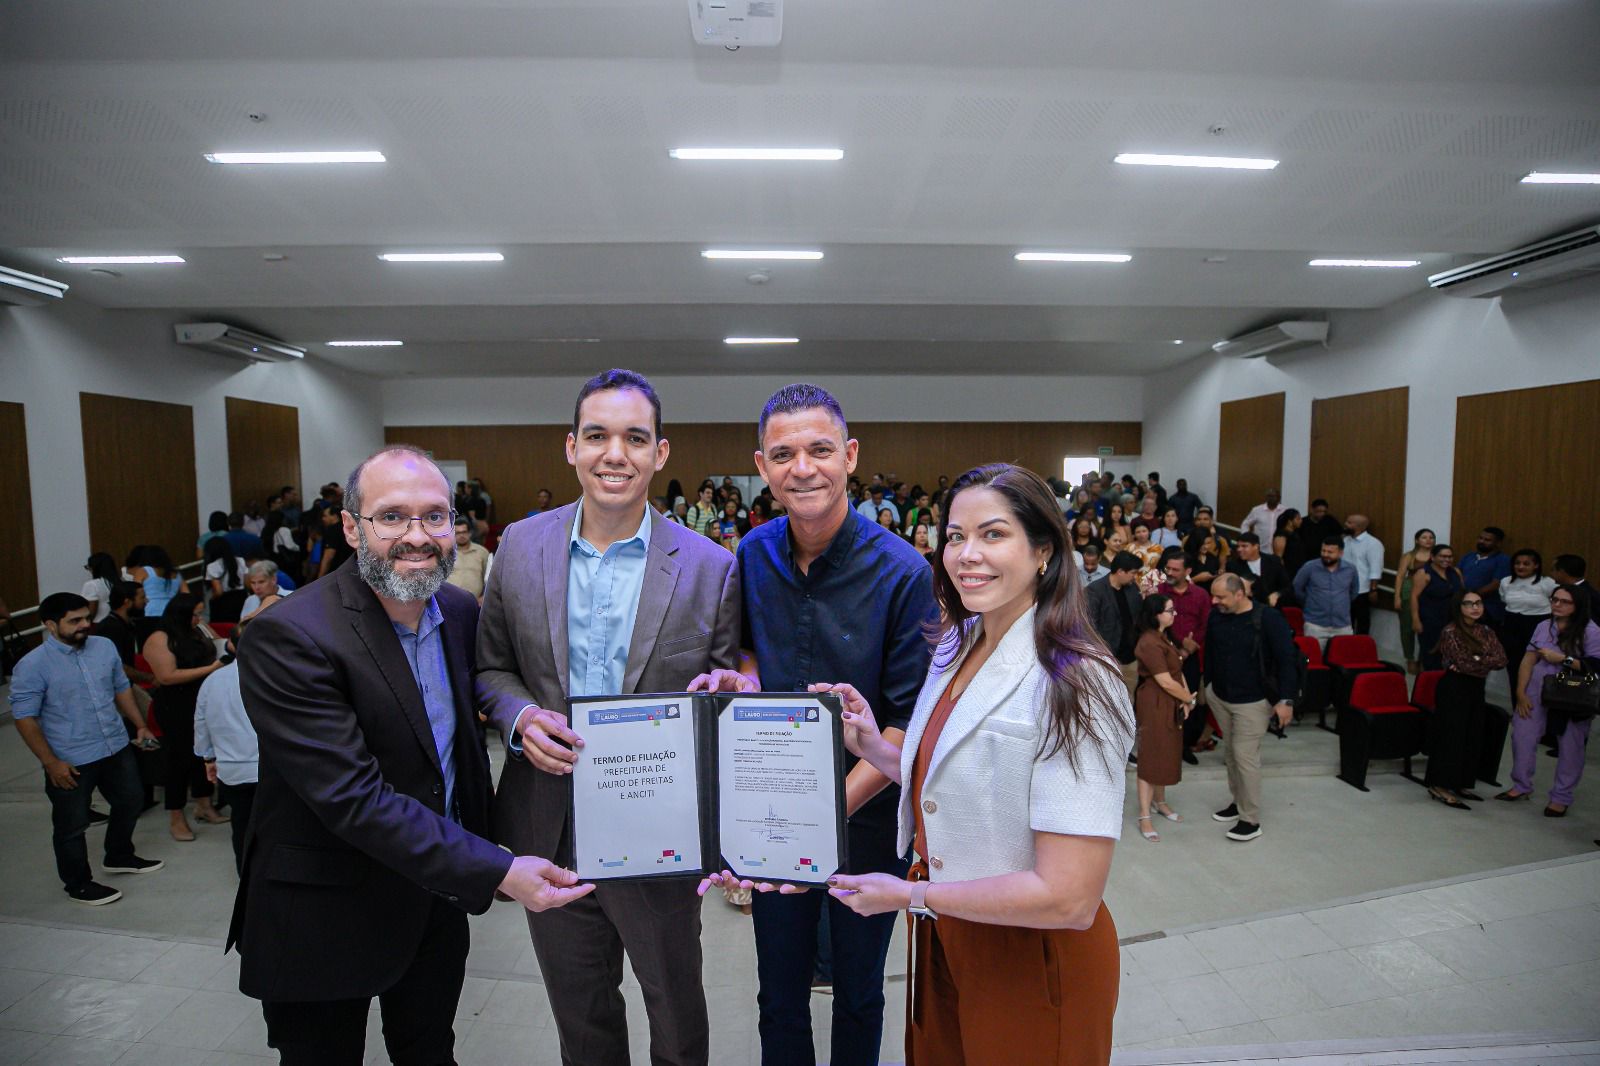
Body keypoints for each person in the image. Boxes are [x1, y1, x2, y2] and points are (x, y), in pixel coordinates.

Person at [231, 443, 591, 1065]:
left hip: (432, 897)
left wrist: (524, 718)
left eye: (435, 516)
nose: (417, 536)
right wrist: (497, 868)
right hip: (324, 907)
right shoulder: (288, 634)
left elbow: (467, 721)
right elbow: (352, 798)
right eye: (392, 517)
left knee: (429, 1052)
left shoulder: (455, 609)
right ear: (351, 526)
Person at [810, 462, 1132, 1066]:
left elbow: (1069, 897)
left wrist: (910, 895)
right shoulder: (959, 642)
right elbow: (963, 776)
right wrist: (872, 746)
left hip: (1031, 956)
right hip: (945, 935)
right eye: (955, 536)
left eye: (992, 534)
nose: (965, 554)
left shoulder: (1078, 680)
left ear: (1043, 551)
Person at [476, 370, 741, 1066]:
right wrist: (521, 715)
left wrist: (724, 692)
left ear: (661, 453)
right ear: (571, 447)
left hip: (659, 829)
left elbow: (724, 698)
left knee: (675, 1010)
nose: (614, 453)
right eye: (597, 435)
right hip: (548, 824)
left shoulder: (711, 568)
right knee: (581, 1016)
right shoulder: (520, 548)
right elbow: (490, 668)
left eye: (634, 437)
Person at [692, 383, 936, 1066]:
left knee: (859, 991)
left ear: (851, 456)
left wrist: (822, 813)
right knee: (780, 990)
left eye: (821, 449)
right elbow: (742, 649)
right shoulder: (752, 553)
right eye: (784, 453)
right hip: (773, 809)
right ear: (763, 466)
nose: (804, 467)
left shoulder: (904, 571)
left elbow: (903, 726)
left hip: (866, 816)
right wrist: (743, 676)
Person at [8, 593, 163, 905]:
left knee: (131, 801)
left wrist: (140, 724)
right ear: (50, 625)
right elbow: (25, 718)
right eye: (74, 621)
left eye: (86, 618)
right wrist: (50, 762)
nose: (85, 625)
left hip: (115, 745)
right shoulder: (32, 665)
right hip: (71, 757)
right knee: (71, 825)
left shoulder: (103, 647)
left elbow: (121, 688)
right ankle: (78, 884)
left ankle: (119, 855)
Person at [1202, 574, 1299, 842]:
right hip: (1221, 695)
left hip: (1253, 702)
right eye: (1213, 595)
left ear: (1239, 594)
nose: (1214, 601)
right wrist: (1207, 685)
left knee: (1245, 757)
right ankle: (1238, 802)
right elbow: (1210, 651)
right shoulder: (1217, 615)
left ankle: (1250, 819)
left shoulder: (1268, 618)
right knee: (1231, 754)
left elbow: (1286, 660)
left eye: (1220, 597)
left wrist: (1286, 700)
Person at [1499, 584, 1600, 816]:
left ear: (1578, 606)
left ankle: (1561, 797)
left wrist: (1563, 659)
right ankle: (1521, 785)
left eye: (1564, 601)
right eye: (1555, 599)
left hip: (1572, 695)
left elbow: (1594, 667)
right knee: (1522, 736)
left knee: (1570, 746)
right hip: (1537, 689)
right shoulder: (1544, 625)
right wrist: (1521, 693)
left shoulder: (1591, 631)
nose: (1557, 604)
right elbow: (1528, 659)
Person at [144, 594, 229, 841]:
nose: (199, 618)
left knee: (203, 754)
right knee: (178, 760)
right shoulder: (160, 638)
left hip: (203, 700)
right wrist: (211, 669)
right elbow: (166, 676)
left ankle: (204, 804)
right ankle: (176, 816)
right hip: (176, 704)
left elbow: (218, 644)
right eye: (194, 614)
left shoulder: (197, 629)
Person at [1425, 592, 1507, 809]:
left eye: (1478, 603)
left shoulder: (1486, 630)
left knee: (1472, 734)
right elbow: (1463, 664)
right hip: (1454, 687)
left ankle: (1460, 782)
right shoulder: (1451, 631)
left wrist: (1478, 659)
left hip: (1476, 687)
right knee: (1451, 736)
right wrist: (1481, 660)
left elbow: (1501, 659)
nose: (1475, 607)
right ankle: (1440, 785)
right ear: (1458, 607)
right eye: (1469, 604)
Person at [194, 621, 260, 869]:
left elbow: (201, 722)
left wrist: (208, 758)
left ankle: (245, 875)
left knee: (241, 824)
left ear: (231, 645)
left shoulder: (213, 681)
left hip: (231, 770)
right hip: (271, 770)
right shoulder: (278, 675)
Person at [1132, 594, 1193, 843]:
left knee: (1166, 751)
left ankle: (1160, 802)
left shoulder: (1164, 637)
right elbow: (1165, 680)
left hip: (1170, 699)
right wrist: (1187, 699)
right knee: (1151, 755)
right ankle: (1145, 815)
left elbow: (1177, 673)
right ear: (1156, 613)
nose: (1173, 614)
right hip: (1155, 702)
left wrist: (1184, 698)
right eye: (1169, 610)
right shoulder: (1148, 642)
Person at [1157, 549, 1210, 762]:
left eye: (1175, 569)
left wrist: (1189, 648)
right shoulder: (1160, 592)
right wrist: (1179, 644)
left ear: (1188, 571)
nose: (1169, 572)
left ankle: (1185, 745)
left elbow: (1205, 625)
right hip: (1163, 656)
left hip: (1191, 657)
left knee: (1190, 701)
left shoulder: (1200, 595)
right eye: (1168, 568)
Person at [1086, 551, 1144, 701]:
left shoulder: (1133, 589)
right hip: (1107, 658)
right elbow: (1090, 627)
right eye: (1132, 573)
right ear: (1120, 572)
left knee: (1129, 700)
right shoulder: (1095, 590)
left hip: (1130, 657)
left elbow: (1138, 618)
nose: (1134, 576)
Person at [1500, 549, 1556, 699]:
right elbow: (1504, 600)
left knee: (1537, 667)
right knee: (1514, 666)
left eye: (1526, 564)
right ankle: (1517, 703)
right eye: (1517, 563)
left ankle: (1536, 705)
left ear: (1536, 565)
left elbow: (1556, 602)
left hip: (1538, 625)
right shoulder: (1505, 581)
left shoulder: (1547, 582)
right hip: (1512, 625)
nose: (1521, 567)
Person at [1294, 536, 1361, 642]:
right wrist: (1310, 603)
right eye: (1323, 551)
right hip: (1315, 624)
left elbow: (1354, 592)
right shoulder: (1309, 567)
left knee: (1343, 657)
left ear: (1340, 553)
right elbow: (1297, 588)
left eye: (1330, 552)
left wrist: (1341, 603)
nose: (1325, 555)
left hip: (1342, 626)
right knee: (1310, 658)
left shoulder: (1350, 569)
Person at [1411, 544, 1465, 670]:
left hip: (1452, 620)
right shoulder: (1424, 573)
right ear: (1433, 557)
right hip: (1430, 620)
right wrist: (1415, 620)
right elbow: (1414, 597)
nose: (1447, 559)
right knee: (1431, 654)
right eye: (1442, 556)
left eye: (1450, 557)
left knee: (1451, 653)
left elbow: (1463, 593)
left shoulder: (1455, 572)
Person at [1395, 529, 1437, 672]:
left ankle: (1423, 658)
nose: (1428, 540)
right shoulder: (1409, 556)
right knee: (1407, 628)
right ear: (1417, 540)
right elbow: (1400, 576)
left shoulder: (1437, 556)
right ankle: (1410, 658)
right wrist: (1397, 597)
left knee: (1427, 627)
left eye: (1431, 537)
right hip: (1409, 592)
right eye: (1424, 537)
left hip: (1429, 593)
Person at [1459, 527, 1512, 628]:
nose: (1482, 541)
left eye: (1487, 540)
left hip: (1488, 609)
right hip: (1464, 606)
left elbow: (1497, 584)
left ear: (1498, 543)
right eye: (1480, 538)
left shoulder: (1503, 560)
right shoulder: (1468, 556)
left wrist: (1472, 596)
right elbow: (1457, 574)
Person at [1341, 515, 1385, 636]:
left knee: (1362, 622)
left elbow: (1375, 568)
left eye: (1349, 523)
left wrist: (1373, 589)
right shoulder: (1346, 541)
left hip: (1363, 590)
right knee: (1345, 621)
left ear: (1359, 526)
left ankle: (1360, 648)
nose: (1345, 524)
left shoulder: (1373, 543)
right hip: (1345, 588)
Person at [1225, 533, 1290, 607]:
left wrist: (1277, 594)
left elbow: (1287, 587)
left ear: (1256, 546)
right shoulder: (1232, 566)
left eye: (1244, 546)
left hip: (1271, 609)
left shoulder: (1273, 561)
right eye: (1238, 546)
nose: (1239, 549)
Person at [128, 545, 184, 623]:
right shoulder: (176, 574)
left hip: (151, 612)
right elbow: (186, 594)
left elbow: (135, 591)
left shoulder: (144, 570)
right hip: (173, 611)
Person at [445, 516, 492, 600]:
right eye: (458, 533)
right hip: (449, 602)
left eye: (464, 532)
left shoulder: (482, 552)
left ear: (470, 533)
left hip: (475, 603)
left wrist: (483, 597)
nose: (461, 535)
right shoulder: (445, 553)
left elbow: (489, 579)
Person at [205, 534, 250, 622]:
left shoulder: (212, 566)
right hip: (241, 597)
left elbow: (218, 591)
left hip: (224, 602)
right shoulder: (240, 560)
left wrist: (211, 598)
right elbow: (247, 583)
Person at [1553, 554, 1600, 619]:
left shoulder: (1589, 596)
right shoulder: (1560, 590)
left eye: (1553, 570)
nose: (1551, 573)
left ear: (1562, 572)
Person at [79, 552, 119, 624]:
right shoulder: (119, 582)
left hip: (98, 623)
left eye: (88, 567)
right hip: (117, 622)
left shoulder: (91, 585)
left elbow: (91, 611)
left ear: (94, 568)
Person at [1272, 509, 1307, 588]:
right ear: (1289, 521)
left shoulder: (1295, 534)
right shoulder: (1281, 535)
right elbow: (1278, 557)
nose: (1301, 521)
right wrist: (1283, 575)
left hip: (1297, 568)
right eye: (1298, 519)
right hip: (1288, 571)